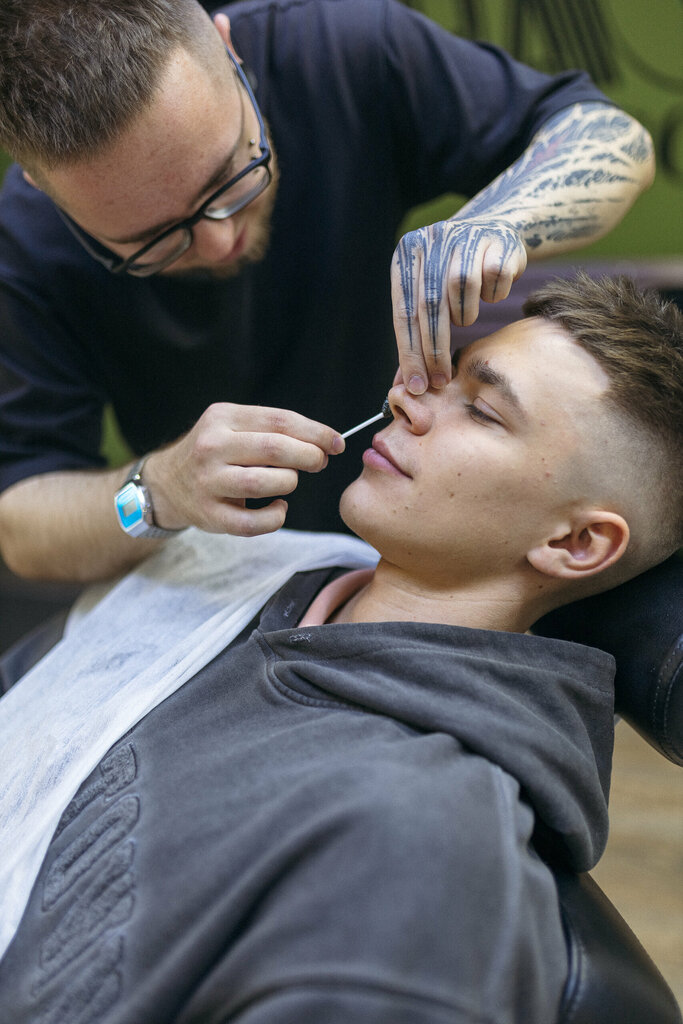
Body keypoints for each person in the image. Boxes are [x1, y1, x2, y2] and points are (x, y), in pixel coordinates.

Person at [0, 273, 680, 1022]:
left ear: (575, 543)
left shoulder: (418, 839)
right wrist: (152, 490)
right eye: (445, 375)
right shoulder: (238, 567)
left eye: (483, 410)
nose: (406, 399)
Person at [0, 0, 655, 584]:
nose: (220, 239)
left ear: (229, 50)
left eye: (232, 175)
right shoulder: (23, 247)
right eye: (155, 238)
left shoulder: (339, 50)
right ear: (40, 183)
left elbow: (607, 135)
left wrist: (498, 220)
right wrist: (158, 491)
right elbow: (21, 525)